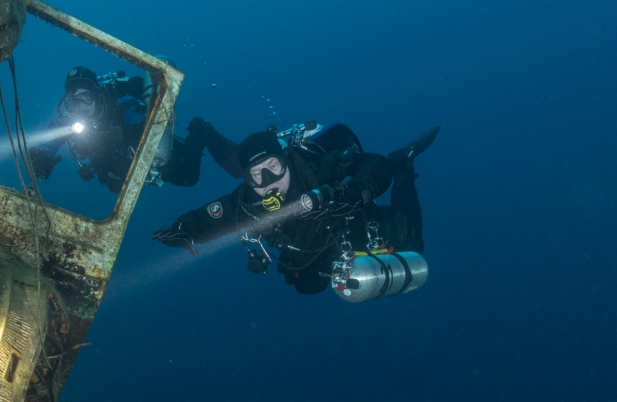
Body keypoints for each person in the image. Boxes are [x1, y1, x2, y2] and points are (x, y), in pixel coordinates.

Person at [153, 122, 439, 294]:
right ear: (248, 179)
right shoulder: (248, 202)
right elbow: (214, 214)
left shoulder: (320, 169)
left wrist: (357, 190)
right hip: (314, 252)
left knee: (413, 243)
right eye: (257, 175)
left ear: (286, 161)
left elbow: (374, 164)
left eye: (274, 168)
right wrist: (184, 228)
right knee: (306, 286)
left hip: (354, 227)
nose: (269, 182)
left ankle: (406, 163)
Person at [28, 66, 241, 193]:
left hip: (160, 158)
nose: (79, 105)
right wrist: (41, 157)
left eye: (85, 96)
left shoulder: (122, 103)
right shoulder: (70, 118)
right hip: (123, 173)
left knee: (188, 178)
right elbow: (52, 136)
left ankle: (201, 130)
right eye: (73, 99)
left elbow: (147, 125)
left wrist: (118, 136)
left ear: (97, 94)